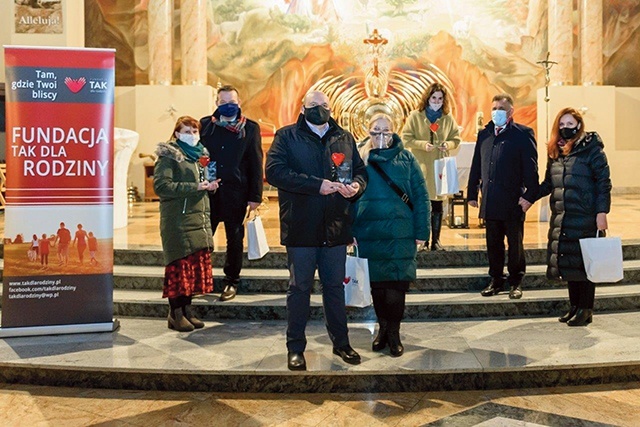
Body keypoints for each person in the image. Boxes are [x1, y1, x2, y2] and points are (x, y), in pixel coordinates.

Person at [266, 90, 368, 371]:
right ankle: (295, 347)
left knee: (334, 288)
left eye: (324, 105)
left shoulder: (344, 137)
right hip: (301, 226)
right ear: (303, 108)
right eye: (314, 105)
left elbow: (360, 170)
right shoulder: (286, 136)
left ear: (331, 108)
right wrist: (316, 185)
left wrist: (357, 187)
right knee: (299, 289)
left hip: (336, 225)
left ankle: (342, 343)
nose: (319, 109)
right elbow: (274, 171)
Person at [352, 113, 430, 357]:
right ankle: (382, 329)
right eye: (376, 131)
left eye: (386, 130)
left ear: (394, 132)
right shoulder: (360, 160)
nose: (381, 135)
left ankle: (394, 332)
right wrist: (349, 231)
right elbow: (349, 199)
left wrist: (422, 231)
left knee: (396, 287)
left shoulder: (407, 159)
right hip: (369, 233)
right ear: (369, 133)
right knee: (377, 287)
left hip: (400, 234)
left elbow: (421, 196)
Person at [526, 108, 611, 326]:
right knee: (571, 264)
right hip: (563, 216)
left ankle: (586, 309)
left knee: (585, 264)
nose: (566, 128)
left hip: (585, 215)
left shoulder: (592, 150)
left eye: (570, 124)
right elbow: (548, 184)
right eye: (562, 124)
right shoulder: (557, 152)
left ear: (579, 125)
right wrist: (528, 198)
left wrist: (602, 213)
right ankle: (574, 306)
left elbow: (603, 183)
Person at [467, 93, 538, 299]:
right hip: (490, 200)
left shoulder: (522, 134)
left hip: (513, 201)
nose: (496, 112)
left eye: (501, 108)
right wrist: (472, 192)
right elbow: (476, 165)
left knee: (515, 245)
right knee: (493, 244)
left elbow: (531, 169)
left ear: (510, 111)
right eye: (494, 108)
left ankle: (516, 281)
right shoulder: (485, 134)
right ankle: (496, 279)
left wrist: (530, 196)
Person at [200, 85, 264, 302]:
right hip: (209, 192)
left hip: (237, 192)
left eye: (232, 102)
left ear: (239, 102)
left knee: (234, 239)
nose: (228, 105)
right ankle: (201, 279)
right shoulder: (205, 126)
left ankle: (231, 281)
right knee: (203, 238)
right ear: (216, 103)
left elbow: (256, 163)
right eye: (223, 101)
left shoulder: (251, 128)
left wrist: (255, 196)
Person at [154, 115, 217, 332]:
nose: (191, 135)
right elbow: (162, 186)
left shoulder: (201, 155)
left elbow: (201, 182)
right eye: (187, 131)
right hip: (178, 221)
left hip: (198, 218)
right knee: (179, 269)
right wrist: (196, 187)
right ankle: (175, 313)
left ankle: (188, 310)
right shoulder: (169, 156)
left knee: (191, 270)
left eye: (194, 131)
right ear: (177, 133)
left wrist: (210, 185)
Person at [402, 82, 461, 251]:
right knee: (422, 204)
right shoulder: (416, 116)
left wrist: (447, 145)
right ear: (427, 98)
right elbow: (406, 138)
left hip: (439, 167)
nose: (436, 101)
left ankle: (436, 240)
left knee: (437, 204)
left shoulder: (448, 118)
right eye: (434, 97)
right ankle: (423, 240)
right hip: (421, 167)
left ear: (444, 100)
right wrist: (422, 144)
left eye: (440, 98)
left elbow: (456, 139)